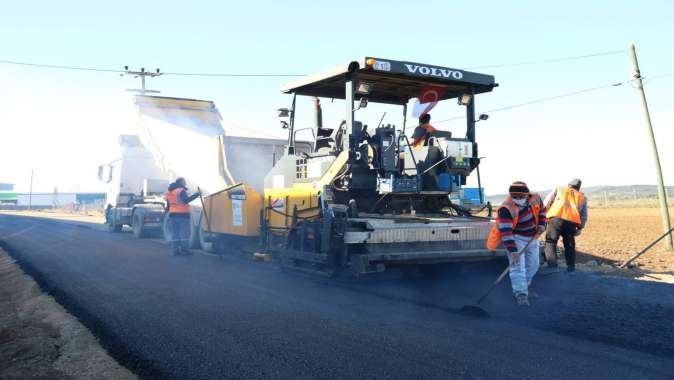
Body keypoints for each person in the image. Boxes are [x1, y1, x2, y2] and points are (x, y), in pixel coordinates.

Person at [486, 181, 546, 306]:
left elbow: (542, 212)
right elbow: (506, 232)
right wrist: (513, 252)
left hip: (532, 237)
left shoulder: (535, 198)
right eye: (515, 197)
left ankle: (525, 288)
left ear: (527, 195)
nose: (517, 199)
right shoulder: (506, 209)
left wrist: (541, 224)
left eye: (520, 197)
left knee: (534, 265)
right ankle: (521, 294)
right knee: (517, 267)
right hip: (516, 237)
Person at [544, 178, 588, 272]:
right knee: (569, 245)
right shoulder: (582, 197)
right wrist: (580, 228)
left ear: (569, 185)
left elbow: (546, 202)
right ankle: (571, 268)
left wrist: (542, 217)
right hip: (571, 223)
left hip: (555, 219)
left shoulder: (559, 189)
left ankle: (552, 268)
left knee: (551, 242)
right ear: (578, 188)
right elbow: (583, 215)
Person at [166, 177, 200, 256]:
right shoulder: (181, 190)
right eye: (185, 182)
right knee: (184, 234)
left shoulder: (169, 192)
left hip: (172, 216)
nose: (186, 184)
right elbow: (186, 200)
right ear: (181, 182)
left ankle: (175, 250)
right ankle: (185, 250)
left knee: (175, 234)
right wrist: (197, 194)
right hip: (182, 215)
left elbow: (168, 206)